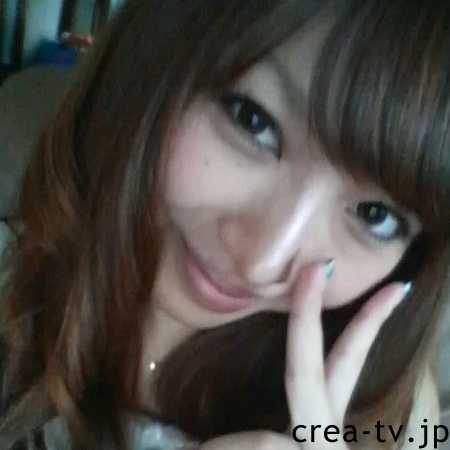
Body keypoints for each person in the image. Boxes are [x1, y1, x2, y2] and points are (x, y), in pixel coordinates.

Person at [0, 0, 449, 448]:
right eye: (251, 120)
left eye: (375, 216)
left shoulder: (396, 419)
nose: (262, 263)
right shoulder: (12, 284)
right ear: (154, 56)